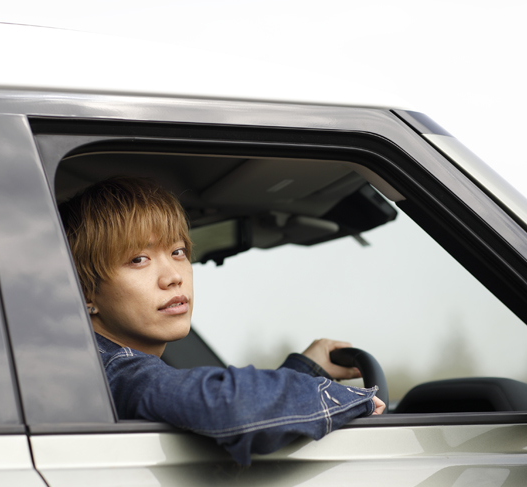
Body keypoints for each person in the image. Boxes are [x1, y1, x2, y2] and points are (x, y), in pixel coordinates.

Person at [59, 176, 384, 465]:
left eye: (177, 252)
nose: (173, 276)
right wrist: (356, 400)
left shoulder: (97, 366)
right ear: (85, 292)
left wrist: (305, 370)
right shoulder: (115, 371)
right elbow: (231, 407)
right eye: (138, 259)